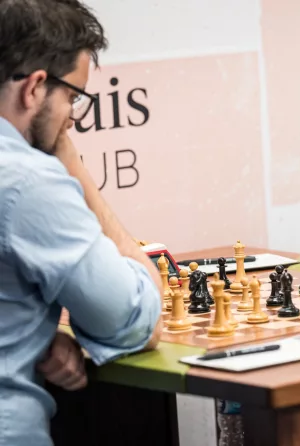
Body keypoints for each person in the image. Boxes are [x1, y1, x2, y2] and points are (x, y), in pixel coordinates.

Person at [0, 1, 163, 445]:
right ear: (34, 88)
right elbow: (134, 322)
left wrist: (32, 333)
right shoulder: (26, 178)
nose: (72, 117)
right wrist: (74, 168)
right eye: (73, 96)